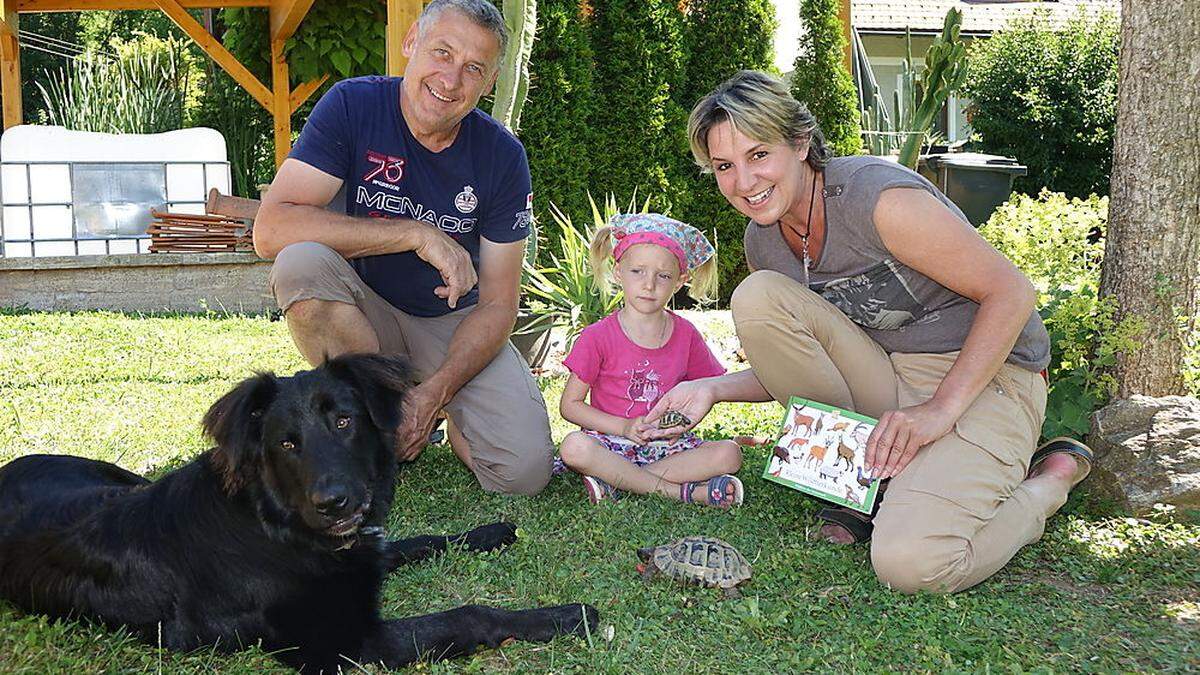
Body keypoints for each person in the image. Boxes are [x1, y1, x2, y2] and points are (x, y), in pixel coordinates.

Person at [643, 70, 1094, 593]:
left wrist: (938, 412)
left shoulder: (875, 199)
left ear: (800, 143)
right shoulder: (764, 241)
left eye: (759, 155)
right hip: (888, 373)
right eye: (724, 166)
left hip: (987, 375)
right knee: (758, 296)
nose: (744, 182)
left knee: (912, 564)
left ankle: (1047, 483)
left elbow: (1012, 292)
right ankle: (865, 489)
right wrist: (711, 389)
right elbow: (804, 360)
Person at [253, 0, 553, 496]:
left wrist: (436, 393)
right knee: (300, 263)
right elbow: (272, 228)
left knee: (522, 475)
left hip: (455, 323)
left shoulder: (502, 155)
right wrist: (416, 233)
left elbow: (500, 303)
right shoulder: (354, 105)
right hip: (368, 314)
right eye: (442, 52)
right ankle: (371, 416)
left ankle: (452, 417)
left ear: (490, 82)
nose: (450, 80)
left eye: (472, 69)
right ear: (411, 42)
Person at [555, 213, 744, 508]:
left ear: (681, 281)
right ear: (618, 271)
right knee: (574, 447)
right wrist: (625, 427)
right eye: (637, 272)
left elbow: (709, 387)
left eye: (663, 276)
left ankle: (620, 482)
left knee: (729, 454)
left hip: (667, 446)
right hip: (612, 442)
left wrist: (678, 425)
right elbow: (570, 406)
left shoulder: (686, 334)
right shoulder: (597, 336)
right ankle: (684, 492)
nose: (649, 285)